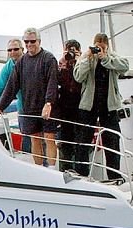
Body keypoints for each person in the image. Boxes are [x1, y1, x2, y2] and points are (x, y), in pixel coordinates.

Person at [0, 28, 59, 167]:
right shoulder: (21, 62)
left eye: (32, 41)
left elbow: (53, 82)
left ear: (39, 41)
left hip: (47, 107)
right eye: (26, 42)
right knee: (35, 139)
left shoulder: (49, 58)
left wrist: (49, 103)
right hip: (29, 107)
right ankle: (39, 169)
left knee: (49, 137)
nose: (29, 44)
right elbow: (11, 87)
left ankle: (52, 169)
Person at [74, 33, 130, 181]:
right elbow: (78, 76)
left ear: (107, 45)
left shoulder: (113, 57)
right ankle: (81, 174)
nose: (99, 49)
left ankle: (114, 176)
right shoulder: (86, 58)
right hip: (89, 105)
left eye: (102, 46)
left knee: (112, 141)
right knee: (83, 141)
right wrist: (87, 57)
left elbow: (124, 67)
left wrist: (105, 58)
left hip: (109, 106)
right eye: (97, 46)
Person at [54, 40, 85, 174]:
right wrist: (63, 65)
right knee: (65, 143)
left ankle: (81, 173)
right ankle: (64, 172)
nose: (70, 55)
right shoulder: (62, 64)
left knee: (81, 143)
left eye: (73, 52)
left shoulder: (84, 62)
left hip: (82, 109)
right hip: (65, 109)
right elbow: (57, 81)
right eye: (68, 52)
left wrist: (79, 60)